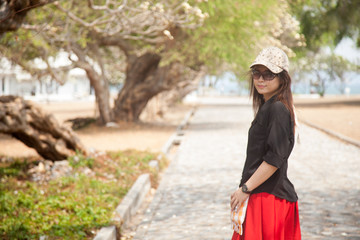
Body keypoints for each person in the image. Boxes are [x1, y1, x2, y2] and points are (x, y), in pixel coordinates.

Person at [230, 46, 301, 240]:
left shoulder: (277, 109)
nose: (261, 79)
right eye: (256, 73)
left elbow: (274, 158)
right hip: (262, 195)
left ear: (282, 78)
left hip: (268, 199)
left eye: (269, 74)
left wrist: (245, 189)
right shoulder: (269, 107)